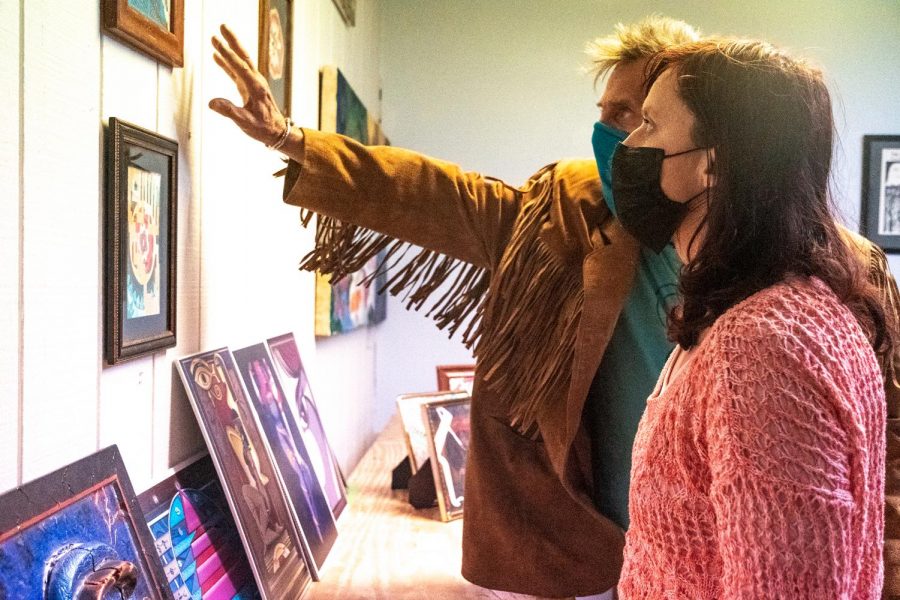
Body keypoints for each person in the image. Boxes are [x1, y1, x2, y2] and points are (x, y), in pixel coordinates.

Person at [208, 18, 900, 599]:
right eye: (607, 117)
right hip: (585, 547)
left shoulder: (823, 283)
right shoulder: (562, 211)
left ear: (716, 148)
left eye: (641, 117)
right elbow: (436, 193)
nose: (618, 139)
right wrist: (291, 140)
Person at [613, 38, 894, 598]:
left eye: (648, 124)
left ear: (714, 162)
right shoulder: (755, 313)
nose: (629, 144)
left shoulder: (760, 348)